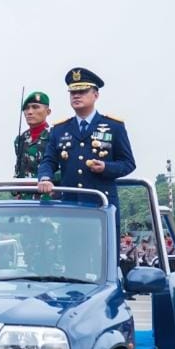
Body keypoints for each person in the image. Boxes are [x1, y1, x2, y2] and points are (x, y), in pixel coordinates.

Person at [36, 67, 136, 235]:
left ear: (95, 95)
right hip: (71, 207)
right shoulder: (60, 129)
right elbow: (48, 161)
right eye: (73, 92)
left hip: (101, 205)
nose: (76, 95)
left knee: (105, 258)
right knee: (72, 256)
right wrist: (45, 178)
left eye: (82, 91)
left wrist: (106, 167)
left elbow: (128, 163)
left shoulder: (113, 127)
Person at [14, 91, 53, 179]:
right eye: (27, 108)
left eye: (35, 107)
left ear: (48, 111)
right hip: (23, 191)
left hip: (47, 190)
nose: (30, 112)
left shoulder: (55, 136)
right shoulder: (20, 139)